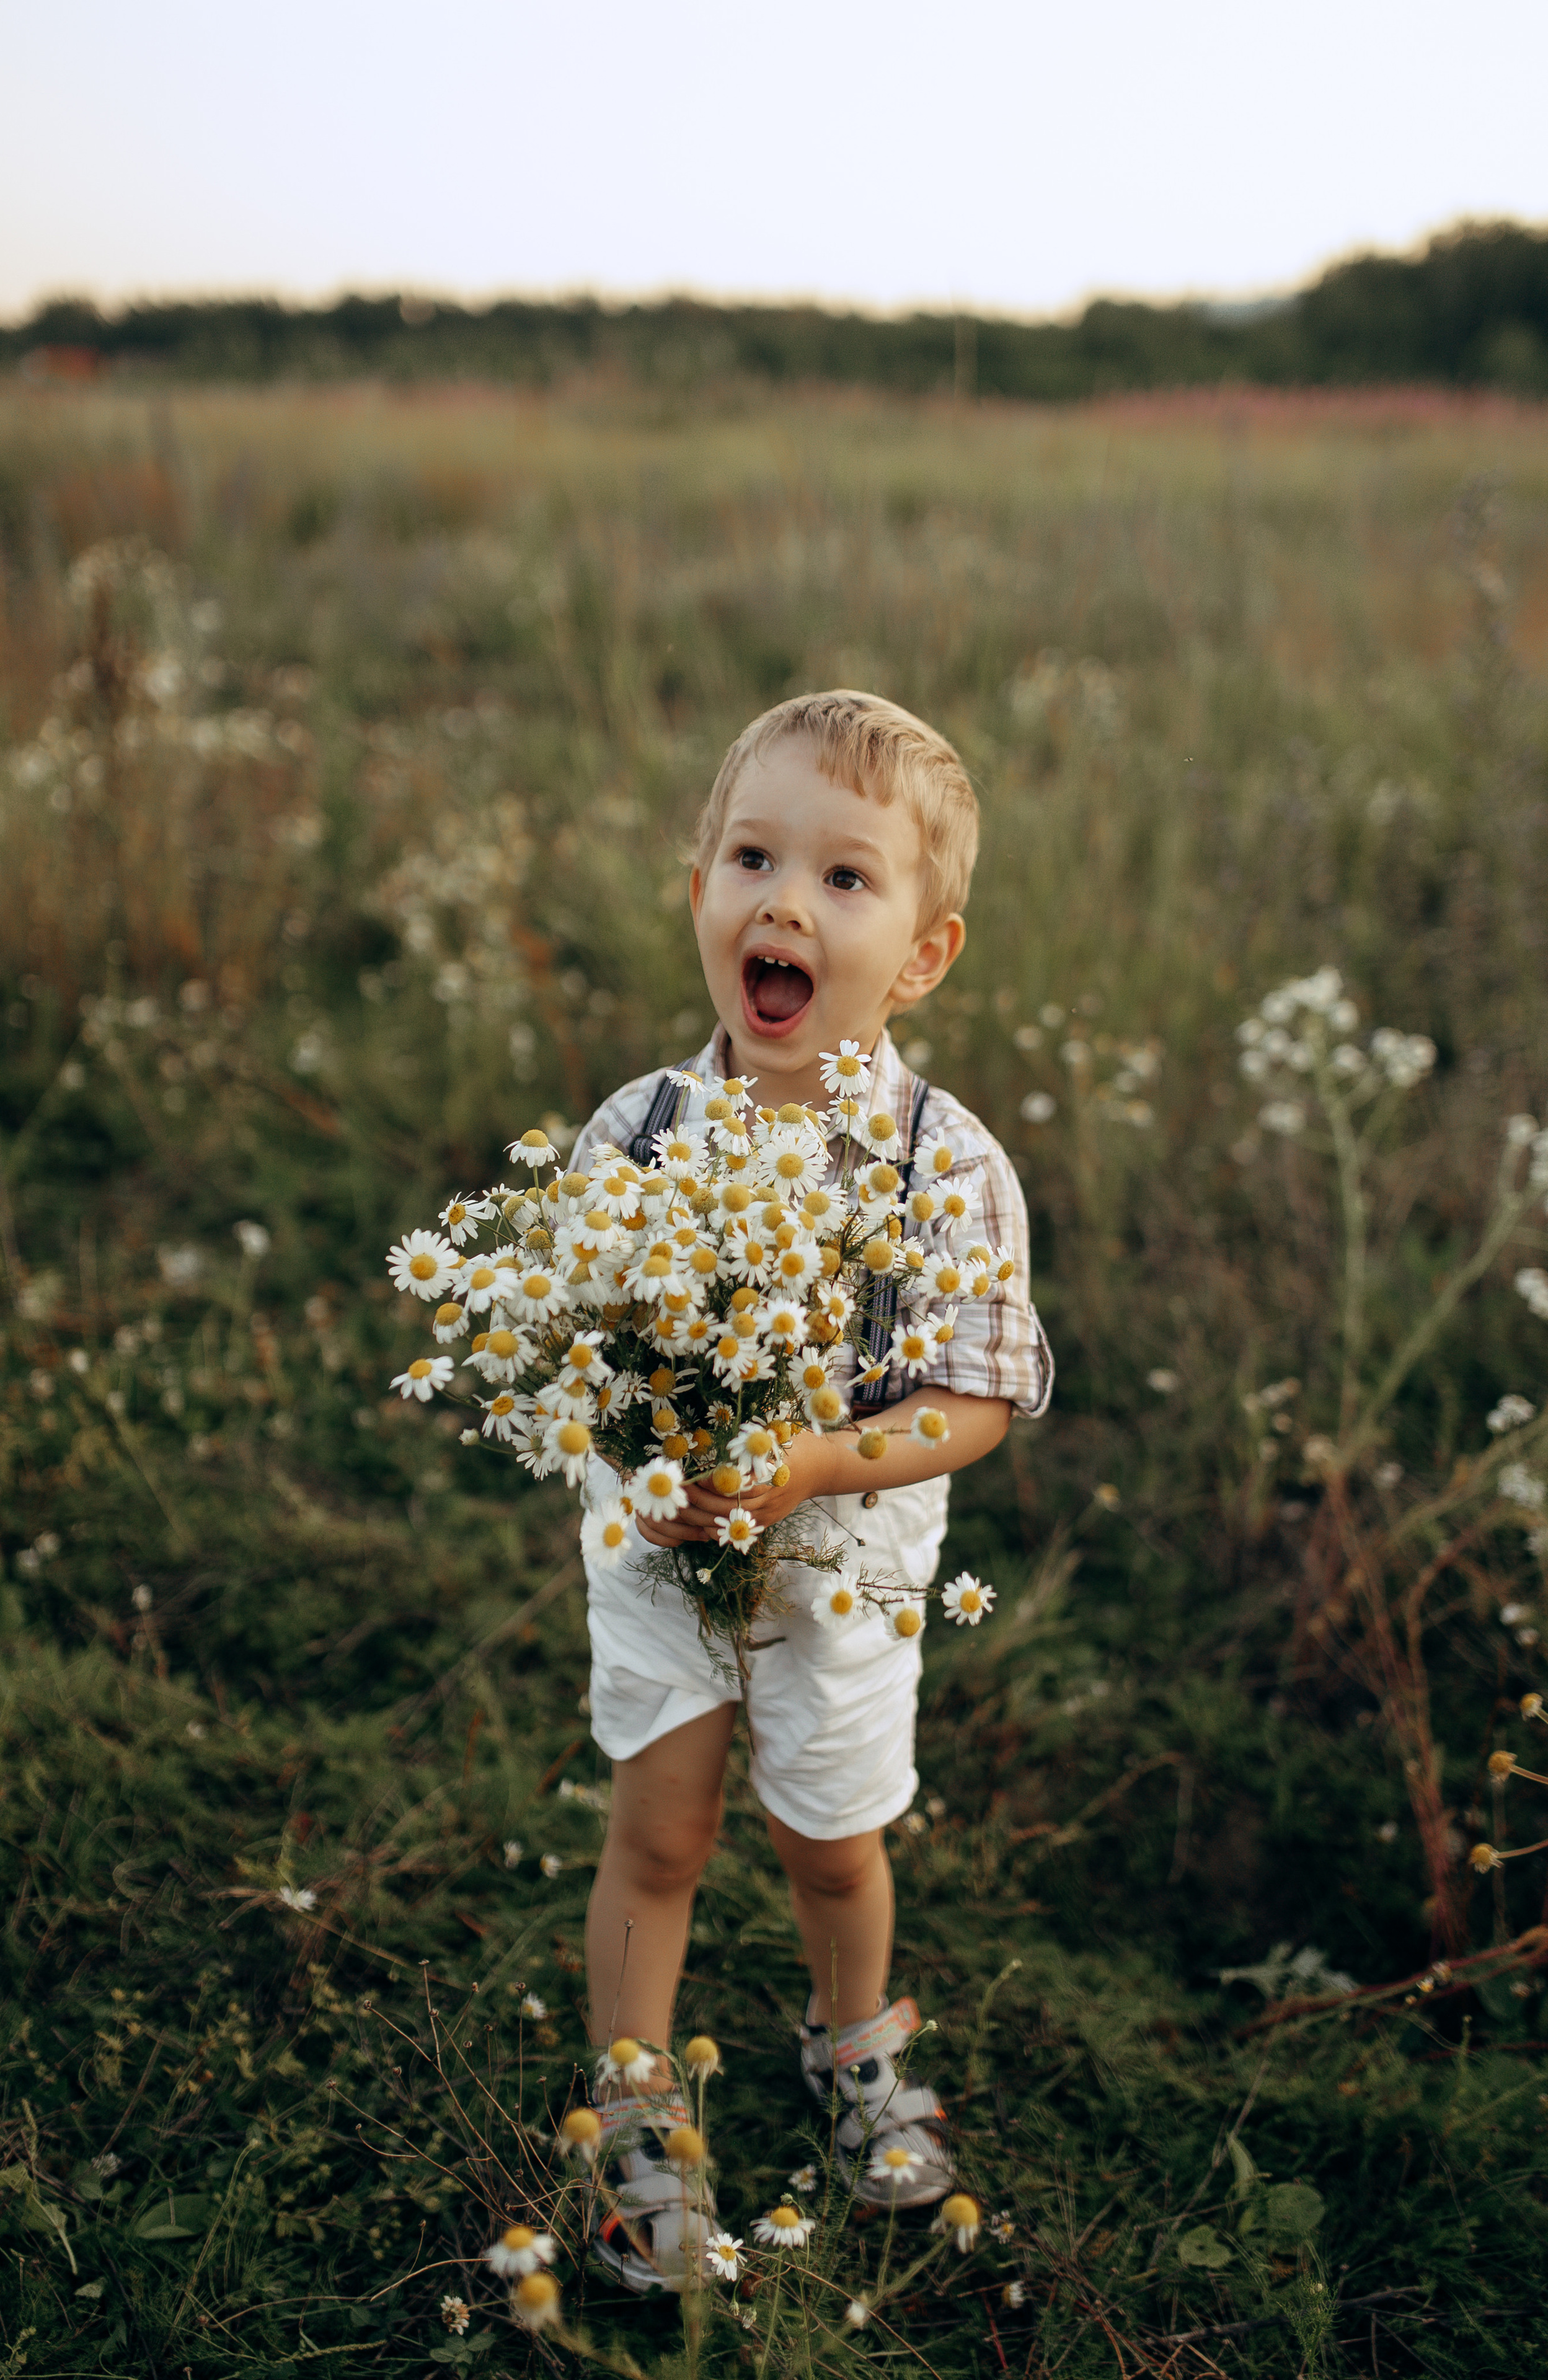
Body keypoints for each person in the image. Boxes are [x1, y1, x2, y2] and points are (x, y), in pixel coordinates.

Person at [570, 689, 1052, 2290]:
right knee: (661, 1829)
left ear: (923, 955)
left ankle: (856, 2047)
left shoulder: (947, 1165)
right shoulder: (637, 1135)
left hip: (848, 1562)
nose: (785, 901)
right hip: (665, 1551)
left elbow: (977, 1400)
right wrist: (652, 1449)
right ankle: (634, 2113)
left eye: (845, 879)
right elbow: (572, 1351)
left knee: (835, 1833)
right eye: (753, 857)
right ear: (700, 890)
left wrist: (819, 1464)